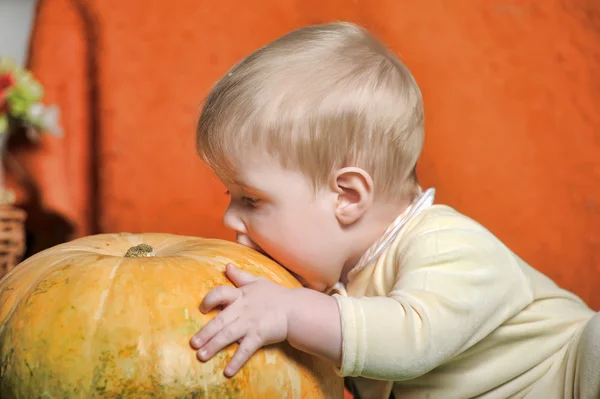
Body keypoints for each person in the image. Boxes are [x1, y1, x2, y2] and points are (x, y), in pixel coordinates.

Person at [189, 21, 599, 398]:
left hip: (571, 378)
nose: (229, 218)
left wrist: (290, 313)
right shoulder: (333, 281)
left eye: (251, 199)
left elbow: (412, 341)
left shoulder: (446, 244)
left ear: (347, 197)